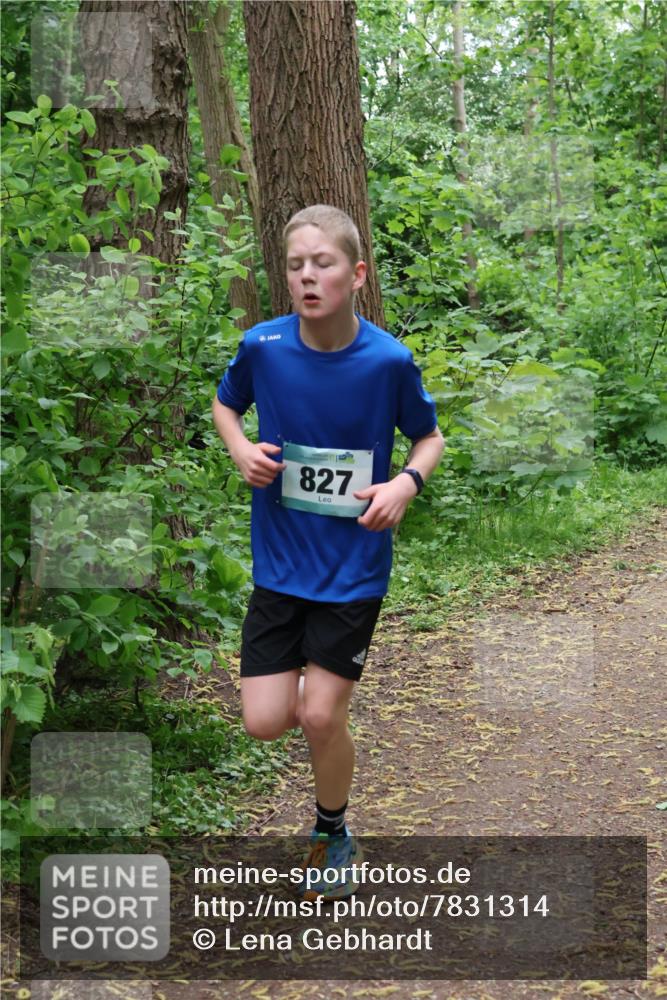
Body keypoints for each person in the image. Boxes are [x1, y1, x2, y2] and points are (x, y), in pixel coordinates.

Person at [212, 205, 444, 900]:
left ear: (357, 275)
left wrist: (404, 483)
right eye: (295, 265)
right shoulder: (263, 346)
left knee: (319, 714)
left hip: (352, 568)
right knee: (264, 722)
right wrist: (241, 451)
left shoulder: (387, 361)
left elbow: (428, 437)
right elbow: (226, 406)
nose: (308, 276)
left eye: (324, 263)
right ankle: (323, 761)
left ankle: (331, 829)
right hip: (281, 564)